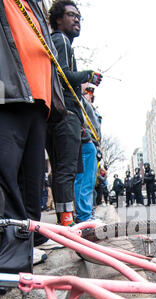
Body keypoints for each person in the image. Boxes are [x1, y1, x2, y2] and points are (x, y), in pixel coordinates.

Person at [0, 0, 66, 274]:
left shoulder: (34, 5)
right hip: (8, 95)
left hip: (38, 101)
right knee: (6, 176)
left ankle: (26, 244)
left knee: (32, 180)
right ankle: (10, 259)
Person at [47, 0, 102, 226]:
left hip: (64, 116)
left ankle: (67, 221)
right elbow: (63, 75)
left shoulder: (60, 41)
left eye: (79, 16)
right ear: (58, 19)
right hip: (64, 115)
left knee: (66, 169)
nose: (77, 19)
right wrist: (89, 75)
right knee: (66, 170)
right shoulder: (60, 40)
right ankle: (67, 223)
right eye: (71, 15)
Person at [74, 85, 100, 223]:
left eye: (92, 93)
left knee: (88, 183)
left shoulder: (90, 107)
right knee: (83, 181)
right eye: (89, 91)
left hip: (91, 143)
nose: (91, 95)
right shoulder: (79, 100)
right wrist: (85, 136)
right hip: (84, 142)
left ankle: (87, 214)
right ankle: (84, 217)